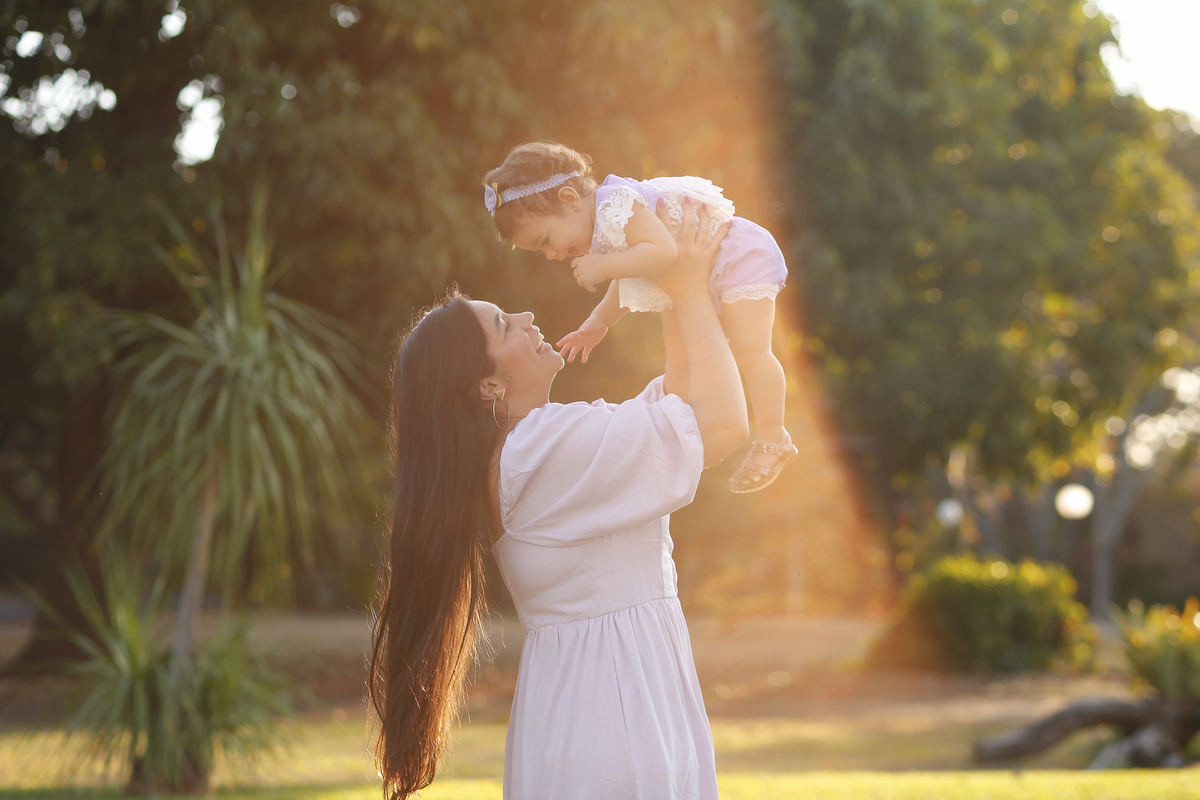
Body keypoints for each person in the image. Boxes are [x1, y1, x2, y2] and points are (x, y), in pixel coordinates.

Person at [368, 202, 748, 800]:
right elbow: (721, 423)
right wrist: (694, 290)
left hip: (600, 709)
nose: (524, 315)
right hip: (616, 723)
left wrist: (670, 287)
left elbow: (680, 401)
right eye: (502, 325)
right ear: (488, 385)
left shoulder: (531, 453)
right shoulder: (537, 455)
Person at [483, 141, 794, 493]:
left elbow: (662, 252)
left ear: (571, 200)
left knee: (751, 351)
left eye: (546, 240)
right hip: (709, 267)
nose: (552, 254)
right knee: (694, 354)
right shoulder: (606, 222)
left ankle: (773, 438)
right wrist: (599, 322)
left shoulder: (617, 203)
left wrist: (602, 266)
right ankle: (700, 438)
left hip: (739, 255)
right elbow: (633, 271)